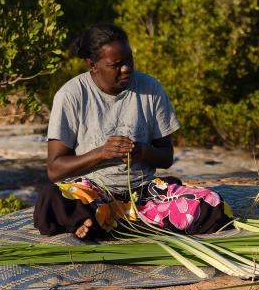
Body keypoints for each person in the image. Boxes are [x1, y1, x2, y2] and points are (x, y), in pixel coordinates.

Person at [32, 22, 232, 239]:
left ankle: (103, 224)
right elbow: (54, 170)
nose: (126, 68)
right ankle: (95, 218)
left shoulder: (151, 89)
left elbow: (166, 156)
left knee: (211, 204)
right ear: (93, 64)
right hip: (92, 192)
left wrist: (143, 153)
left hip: (143, 195)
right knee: (52, 198)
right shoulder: (71, 95)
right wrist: (101, 153)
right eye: (116, 65)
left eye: (129, 60)